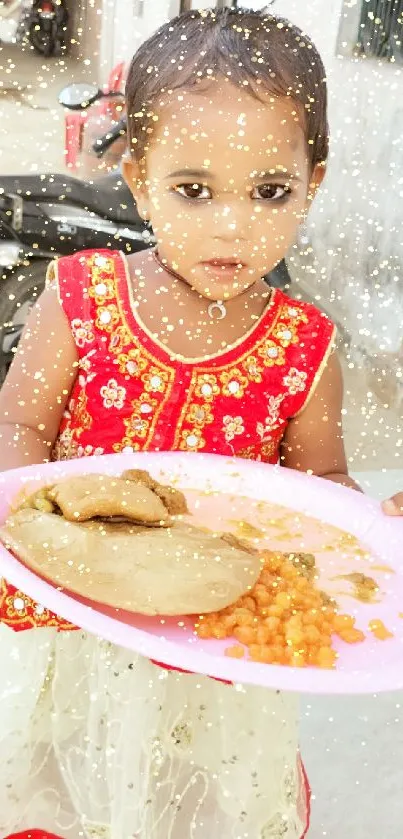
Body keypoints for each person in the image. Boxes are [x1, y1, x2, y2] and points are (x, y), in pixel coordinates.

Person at [0, 7, 401, 839]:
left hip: (214, 645)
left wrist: (369, 526)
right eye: (192, 189)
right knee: (63, 767)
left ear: (312, 183)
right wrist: (24, 531)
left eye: (269, 191)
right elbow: (19, 430)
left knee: (184, 785)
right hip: (74, 613)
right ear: (140, 177)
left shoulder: (304, 344)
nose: (232, 223)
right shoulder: (79, 299)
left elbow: (316, 483)